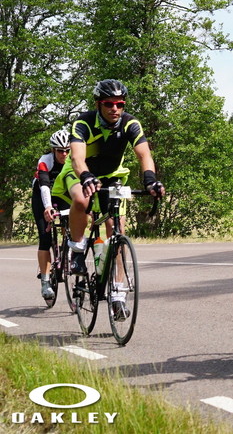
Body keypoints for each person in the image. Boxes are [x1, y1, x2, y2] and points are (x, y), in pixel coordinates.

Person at [52, 79, 165, 317]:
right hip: (78, 173)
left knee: (117, 231)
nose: (115, 108)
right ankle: (78, 249)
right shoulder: (83, 122)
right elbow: (77, 158)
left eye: (120, 104)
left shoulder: (130, 123)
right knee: (82, 201)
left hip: (112, 177)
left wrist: (150, 180)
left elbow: (144, 154)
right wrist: (86, 176)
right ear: (98, 104)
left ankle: (118, 293)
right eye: (109, 103)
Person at [32, 129, 72, 300]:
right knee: (45, 237)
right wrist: (48, 207)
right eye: (60, 150)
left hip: (63, 194)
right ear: (53, 150)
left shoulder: (74, 160)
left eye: (67, 150)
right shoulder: (45, 161)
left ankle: (67, 253)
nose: (64, 154)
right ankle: (46, 281)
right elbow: (45, 186)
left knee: (72, 224)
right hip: (42, 195)